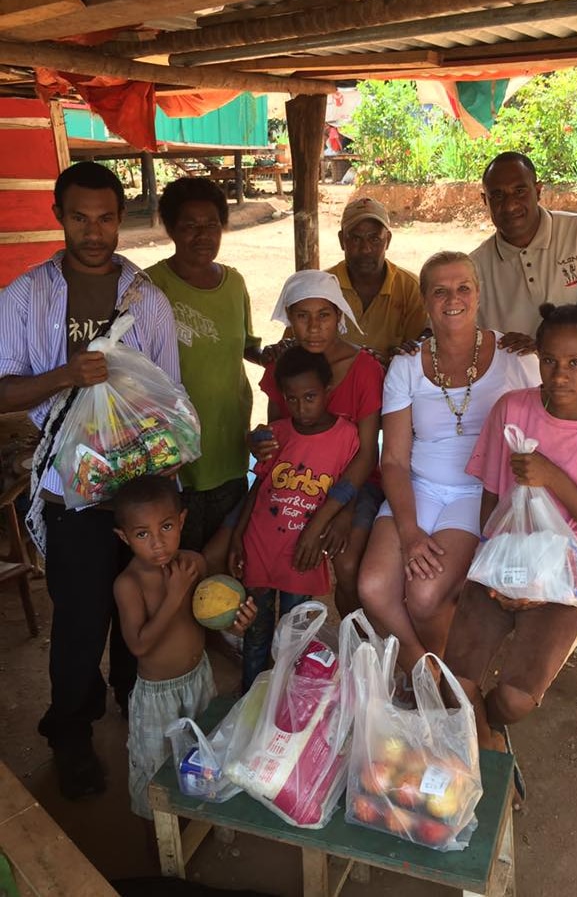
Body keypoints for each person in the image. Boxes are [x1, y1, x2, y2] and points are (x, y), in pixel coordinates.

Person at [0, 161, 180, 799]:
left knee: (142, 599)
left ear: (120, 218)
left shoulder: (144, 298)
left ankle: (135, 700)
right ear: (60, 216)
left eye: (106, 218)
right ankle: (70, 731)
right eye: (81, 217)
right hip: (67, 489)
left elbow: (168, 393)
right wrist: (63, 376)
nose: (95, 231)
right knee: (80, 616)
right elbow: (3, 391)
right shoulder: (26, 297)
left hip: (135, 488)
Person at [444, 297, 577, 794]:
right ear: (537, 356)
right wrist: (498, 559)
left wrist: (552, 478)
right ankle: (487, 746)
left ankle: (489, 727)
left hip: (571, 573)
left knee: (517, 699)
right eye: (550, 361)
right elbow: (489, 496)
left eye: (575, 364)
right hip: (505, 561)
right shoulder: (513, 409)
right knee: (454, 681)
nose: (560, 374)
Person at [358, 251, 540, 681]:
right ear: (424, 301)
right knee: (373, 587)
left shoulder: (515, 358)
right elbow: (395, 460)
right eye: (440, 291)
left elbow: (549, 425)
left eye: (463, 288)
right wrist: (409, 530)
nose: (452, 299)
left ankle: (435, 678)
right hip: (417, 487)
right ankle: (428, 673)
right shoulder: (406, 365)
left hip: (478, 492)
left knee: (423, 596)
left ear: (478, 295)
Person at [112, 475, 257, 820]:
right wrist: (175, 594)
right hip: (157, 697)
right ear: (124, 537)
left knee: (201, 756)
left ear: (181, 521)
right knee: (156, 770)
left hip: (198, 681)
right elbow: (138, 645)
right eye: (142, 534)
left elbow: (205, 621)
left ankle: (198, 816)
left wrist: (236, 625)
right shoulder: (128, 584)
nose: (158, 544)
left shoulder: (194, 565)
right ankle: (158, 836)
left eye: (165, 527)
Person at [254, 270, 384, 617]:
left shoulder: (365, 368)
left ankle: (358, 643)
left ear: (339, 316)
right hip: (293, 480)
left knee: (346, 565)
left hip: (353, 486)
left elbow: (368, 454)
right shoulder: (283, 364)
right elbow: (277, 437)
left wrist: (336, 514)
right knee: (233, 543)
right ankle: (257, 633)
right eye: (302, 315)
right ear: (289, 319)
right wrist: (260, 444)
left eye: (324, 315)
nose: (313, 327)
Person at [230, 346, 359, 691]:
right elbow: (258, 488)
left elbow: (350, 486)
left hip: (301, 555)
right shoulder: (278, 434)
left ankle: (284, 701)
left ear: (328, 391)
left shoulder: (347, 436)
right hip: (260, 546)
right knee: (256, 634)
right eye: (293, 399)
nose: (302, 407)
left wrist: (339, 520)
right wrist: (237, 538)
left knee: (294, 636)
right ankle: (251, 698)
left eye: (311, 396)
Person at [146, 177, 264, 552]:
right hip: (175, 455)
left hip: (227, 442)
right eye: (189, 226)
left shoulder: (234, 283)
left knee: (225, 563)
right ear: (170, 229)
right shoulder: (151, 286)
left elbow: (246, 346)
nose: (202, 235)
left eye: (211, 224)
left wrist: (280, 354)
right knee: (180, 562)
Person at [472, 151, 577, 406]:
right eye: (497, 195)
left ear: (538, 190)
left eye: (520, 191)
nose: (510, 204)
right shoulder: (475, 266)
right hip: (525, 395)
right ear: (485, 200)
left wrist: (541, 347)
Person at [326, 197, 428, 359]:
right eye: (356, 238)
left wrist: (393, 360)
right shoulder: (322, 287)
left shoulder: (410, 288)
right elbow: (296, 347)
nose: (366, 249)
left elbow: (419, 353)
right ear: (341, 240)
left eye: (374, 239)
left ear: (387, 240)